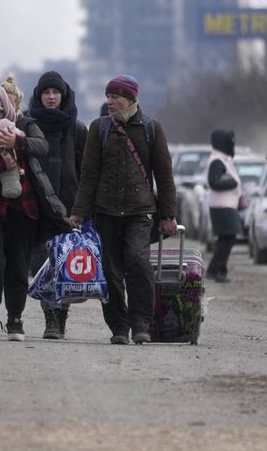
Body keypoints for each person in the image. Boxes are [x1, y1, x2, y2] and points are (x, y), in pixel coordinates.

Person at [69, 75, 178, 345]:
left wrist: (167, 215)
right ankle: (119, 325)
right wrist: (78, 212)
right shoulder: (99, 128)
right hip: (105, 212)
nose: (110, 102)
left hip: (140, 213)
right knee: (110, 270)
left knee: (138, 262)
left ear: (130, 99)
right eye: (108, 96)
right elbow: (89, 175)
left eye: (115, 97)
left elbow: (164, 175)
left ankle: (141, 322)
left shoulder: (152, 129)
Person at [0, 84, 70, 341]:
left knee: (18, 265)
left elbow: (42, 147)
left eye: (9, 102)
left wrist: (17, 141)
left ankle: (15, 319)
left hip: (23, 206)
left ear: (15, 104)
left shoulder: (26, 125)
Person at [26, 71, 87, 340]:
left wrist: (82, 209)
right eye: (46, 93)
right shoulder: (27, 126)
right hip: (37, 207)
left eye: (56, 92)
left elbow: (86, 171)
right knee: (42, 264)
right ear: (39, 96)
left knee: (65, 264)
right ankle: (50, 318)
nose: (51, 97)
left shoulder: (77, 129)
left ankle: (60, 317)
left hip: (69, 208)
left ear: (63, 96)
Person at [205, 130, 241, 283]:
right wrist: (232, 183)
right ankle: (215, 269)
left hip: (227, 205)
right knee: (228, 238)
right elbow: (213, 182)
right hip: (222, 206)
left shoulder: (223, 159)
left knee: (226, 238)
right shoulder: (217, 161)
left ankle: (219, 269)